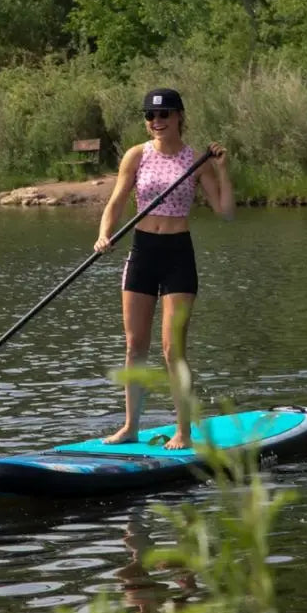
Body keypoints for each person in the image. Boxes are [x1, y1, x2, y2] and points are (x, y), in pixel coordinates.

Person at [94, 87, 234, 450]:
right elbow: (117, 201)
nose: (156, 122)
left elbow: (225, 211)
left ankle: (183, 431)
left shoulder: (195, 160)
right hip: (142, 252)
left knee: (172, 349)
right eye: (150, 116)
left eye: (164, 115)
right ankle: (130, 427)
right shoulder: (136, 155)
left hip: (177, 255)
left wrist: (223, 170)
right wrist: (104, 235)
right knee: (134, 345)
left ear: (179, 117)